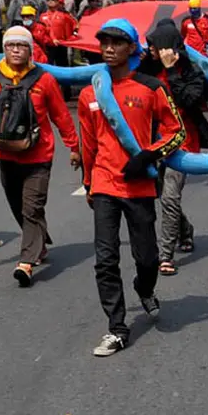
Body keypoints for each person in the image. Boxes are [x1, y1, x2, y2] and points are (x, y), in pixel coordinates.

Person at [77, 19, 186, 357]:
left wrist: (149, 155)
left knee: (148, 259)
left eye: (117, 42)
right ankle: (117, 328)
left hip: (138, 186)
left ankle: (145, 288)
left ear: (132, 48)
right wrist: (88, 184)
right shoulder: (89, 93)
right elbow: (89, 144)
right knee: (105, 259)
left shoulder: (151, 87)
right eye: (104, 42)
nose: (109, 48)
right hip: (104, 184)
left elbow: (176, 131)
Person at [0, 26, 80, 284]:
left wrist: (74, 147)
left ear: (30, 50)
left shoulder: (45, 80)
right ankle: (39, 243)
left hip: (39, 157)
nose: (16, 50)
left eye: (21, 45)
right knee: (19, 207)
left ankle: (26, 262)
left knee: (32, 206)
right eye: (11, 46)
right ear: (4, 49)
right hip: (6, 156)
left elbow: (61, 117)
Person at [140, 20, 208, 276]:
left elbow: (189, 99)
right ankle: (185, 230)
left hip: (182, 144)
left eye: (154, 45)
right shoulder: (146, 68)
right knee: (162, 196)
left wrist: (171, 71)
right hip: (153, 143)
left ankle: (165, 255)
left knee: (171, 197)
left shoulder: (191, 71)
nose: (150, 49)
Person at [41, 0, 77, 68]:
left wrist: (70, 40)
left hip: (61, 45)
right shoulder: (42, 16)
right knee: (48, 66)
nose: (50, 1)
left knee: (62, 66)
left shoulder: (64, 16)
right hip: (48, 46)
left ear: (58, 2)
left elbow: (74, 26)